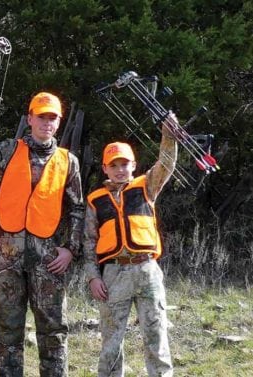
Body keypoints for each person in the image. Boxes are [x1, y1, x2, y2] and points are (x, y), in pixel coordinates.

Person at [0, 88, 85, 376]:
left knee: (53, 330)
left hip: (48, 260)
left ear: (59, 122)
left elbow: (78, 209)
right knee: (7, 328)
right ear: (30, 118)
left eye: (52, 118)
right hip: (7, 256)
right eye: (41, 117)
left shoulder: (68, 161)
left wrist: (70, 249)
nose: (47, 123)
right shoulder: (6, 150)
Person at [83, 115, 178, 377]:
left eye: (125, 164)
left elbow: (167, 164)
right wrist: (93, 277)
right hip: (114, 275)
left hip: (147, 270)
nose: (120, 169)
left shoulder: (146, 186)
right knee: (111, 344)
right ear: (105, 168)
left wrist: (168, 135)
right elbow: (89, 243)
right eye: (114, 165)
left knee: (156, 338)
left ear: (133, 165)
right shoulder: (95, 200)